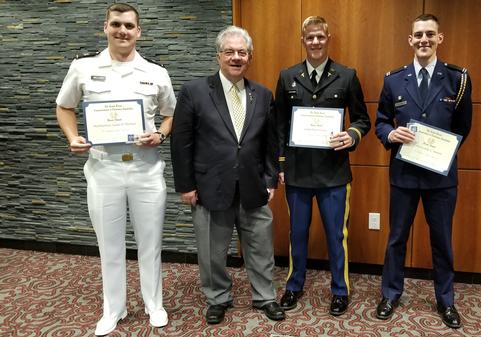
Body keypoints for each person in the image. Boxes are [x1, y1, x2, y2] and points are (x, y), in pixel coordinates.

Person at [55, 3, 175, 336]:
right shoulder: (82, 68)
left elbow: (171, 115)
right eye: (116, 25)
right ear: (105, 27)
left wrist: (161, 134)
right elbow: (64, 106)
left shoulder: (155, 73)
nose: (123, 31)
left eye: (129, 26)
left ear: (139, 32)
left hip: (146, 170)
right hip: (104, 168)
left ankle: (154, 304)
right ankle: (114, 308)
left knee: (150, 242)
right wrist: (72, 136)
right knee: (109, 243)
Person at [170, 26, 285, 324]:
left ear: (250, 57)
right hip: (209, 187)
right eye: (229, 52)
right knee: (212, 251)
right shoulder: (194, 91)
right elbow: (181, 143)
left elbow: (270, 143)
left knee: (261, 247)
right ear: (218, 55)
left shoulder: (262, 94)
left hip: (253, 186)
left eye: (242, 52)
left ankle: (265, 297)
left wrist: (271, 179)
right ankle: (218, 297)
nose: (236, 57)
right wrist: (185, 185)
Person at [374, 14, 472, 329]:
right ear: (410, 40)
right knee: (397, 238)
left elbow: (463, 127)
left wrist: (439, 151)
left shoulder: (458, 79)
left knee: (442, 240)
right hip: (403, 176)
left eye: (430, 34)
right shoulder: (393, 79)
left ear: (439, 38)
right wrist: (390, 134)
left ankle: (446, 301)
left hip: (440, 179)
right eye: (418, 35)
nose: (423, 40)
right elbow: (381, 121)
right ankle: (390, 294)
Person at [275, 16, 371, 316]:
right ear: (302, 40)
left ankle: (340, 289)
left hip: (334, 173)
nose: (315, 42)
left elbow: (362, 119)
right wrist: (280, 163)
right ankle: (294, 285)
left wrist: (351, 135)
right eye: (309, 37)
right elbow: (279, 125)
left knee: (336, 235)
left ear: (328, 38)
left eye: (320, 36)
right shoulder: (287, 76)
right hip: (298, 172)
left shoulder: (346, 75)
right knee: (297, 233)